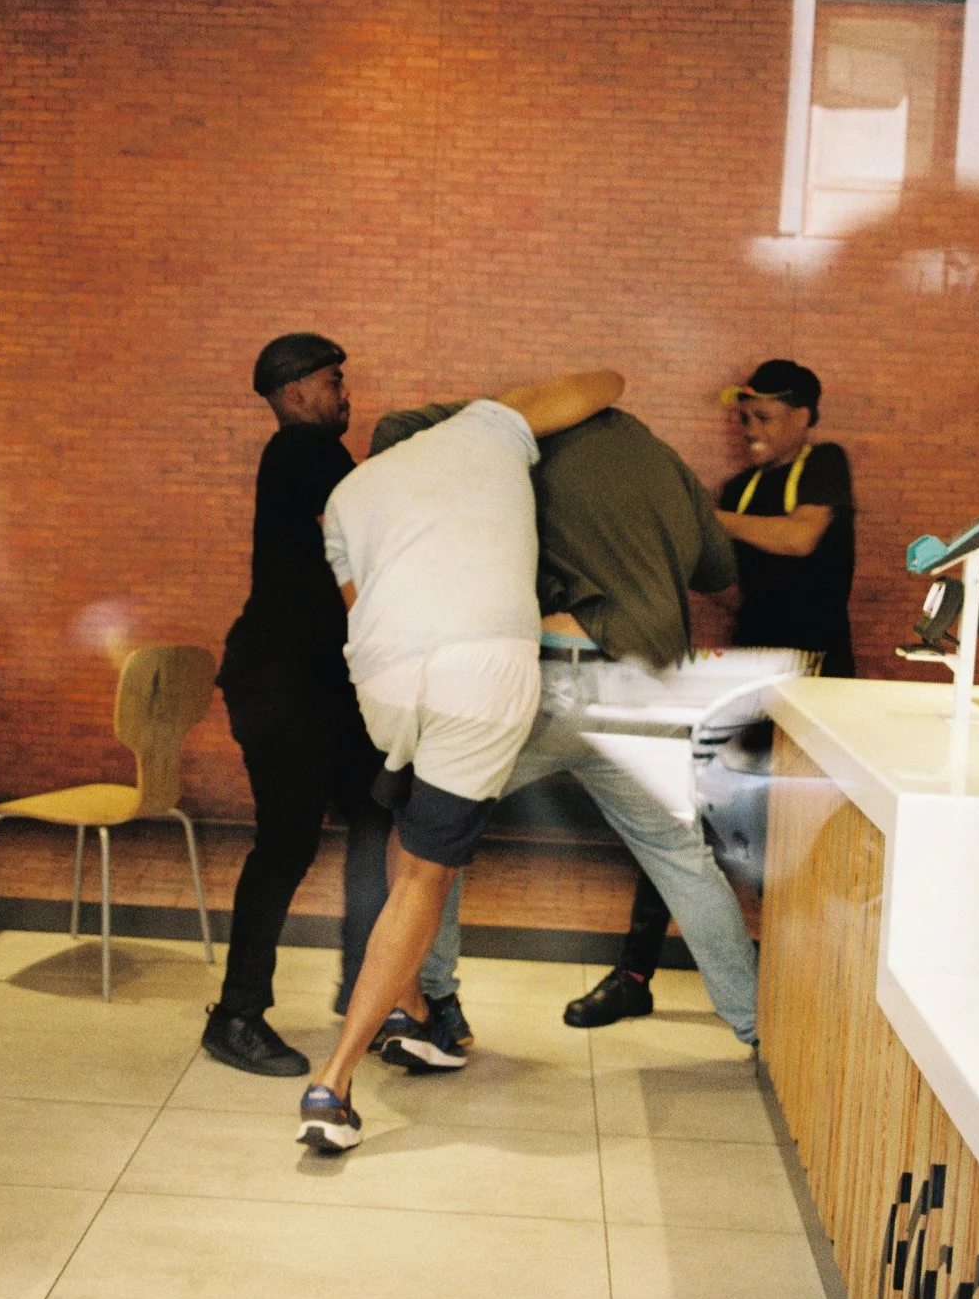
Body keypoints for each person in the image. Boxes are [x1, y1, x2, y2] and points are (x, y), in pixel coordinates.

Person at [354, 399, 761, 1050]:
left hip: (544, 678)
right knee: (684, 861)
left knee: (431, 838)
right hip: (643, 686)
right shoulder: (665, 464)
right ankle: (754, 1023)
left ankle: (433, 1005)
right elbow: (719, 576)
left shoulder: (523, 459)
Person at [296, 369, 624, 1153]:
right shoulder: (485, 429)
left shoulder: (347, 497)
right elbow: (603, 381)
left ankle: (411, 1014)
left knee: (406, 830)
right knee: (425, 875)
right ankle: (333, 1082)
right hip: (481, 670)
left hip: (382, 674)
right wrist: (506, 412)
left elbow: (359, 601)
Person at [563, 357, 857, 1030]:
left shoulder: (823, 465)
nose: (750, 431)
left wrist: (704, 515)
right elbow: (728, 588)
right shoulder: (740, 488)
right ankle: (636, 974)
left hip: (814, 675)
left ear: (804, 418)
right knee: (676, 815)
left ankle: (805, 986)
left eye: (764, 418)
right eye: (744, 418)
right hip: (746, 672)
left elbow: (802, 535)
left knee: (802, 835)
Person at [203, 333, 396, 1078]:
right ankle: (237, 1016)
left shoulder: (312, 459)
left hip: (316, 684)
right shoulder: (303, 453)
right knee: (287, 844)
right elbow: (365, 539)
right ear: (297, 393)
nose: (345, 393)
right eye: (334, 381)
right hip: (283, 685)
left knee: (377, 819)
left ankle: (367, 994)